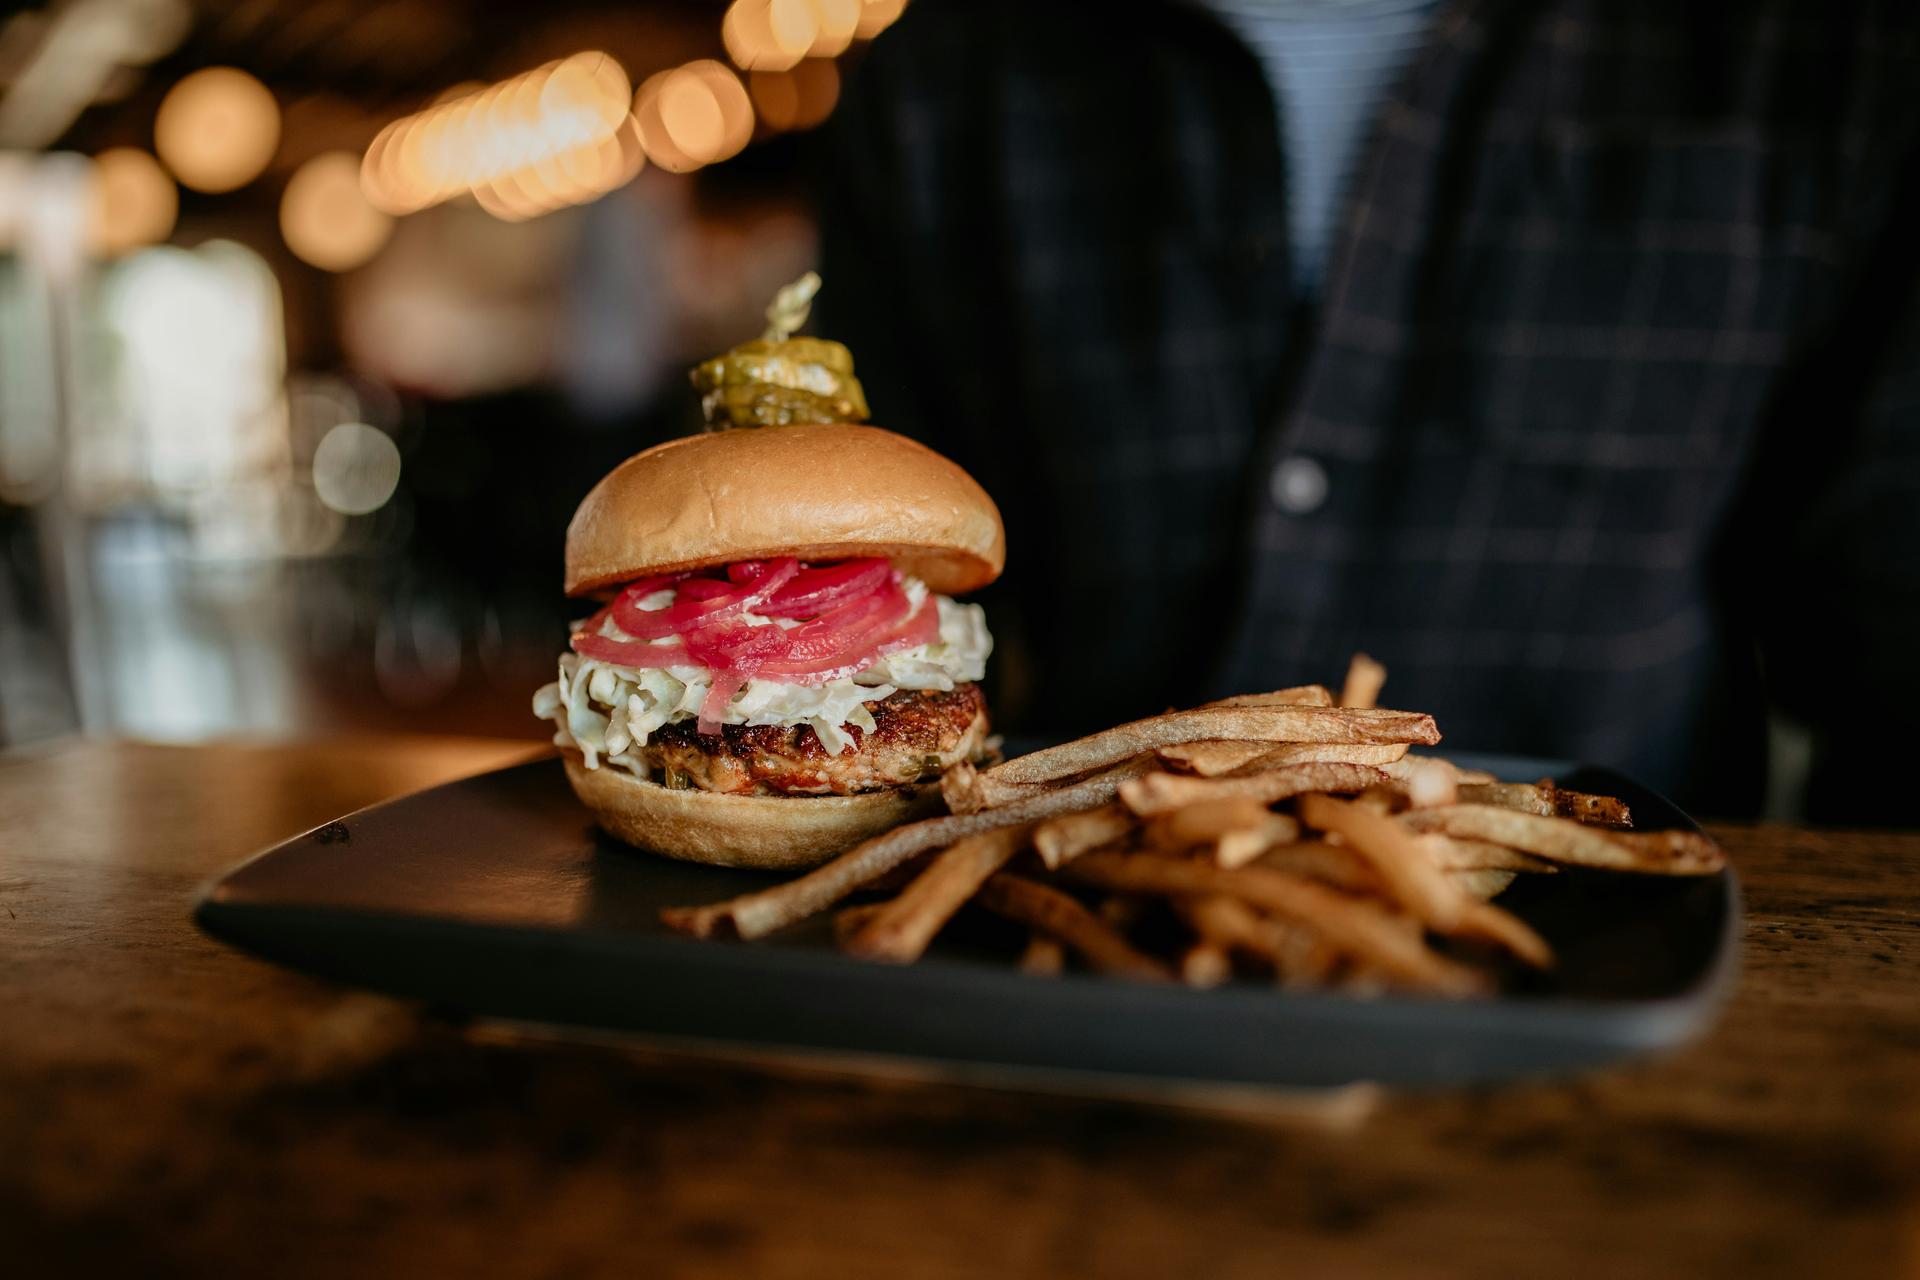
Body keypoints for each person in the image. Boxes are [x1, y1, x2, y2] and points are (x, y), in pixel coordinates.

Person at [812, 0, 1920, 821]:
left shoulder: (1829, 54)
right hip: (1074, 973)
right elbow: (872, 615)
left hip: (1628, 951)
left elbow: (1893, 656)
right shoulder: (935, 79)